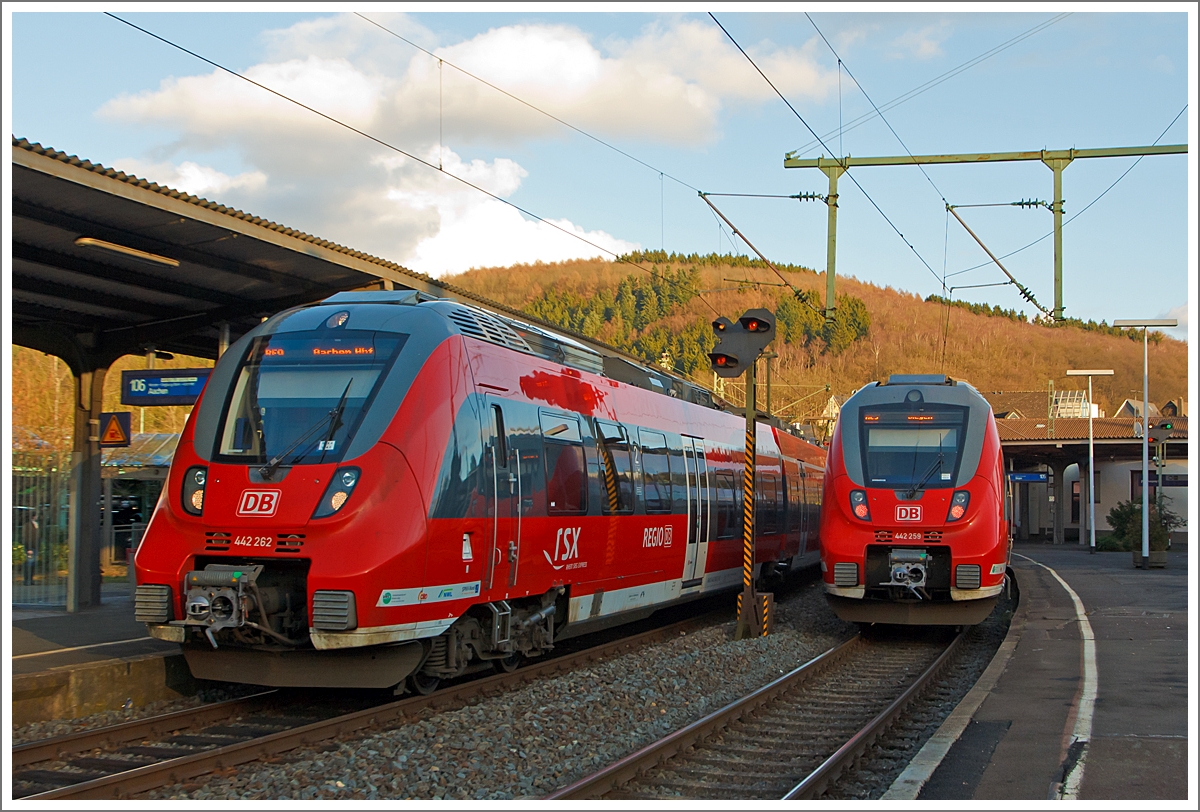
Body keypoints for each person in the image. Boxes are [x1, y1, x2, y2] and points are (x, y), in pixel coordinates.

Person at [21, 510, 39, 586]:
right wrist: (28, 548)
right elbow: (26, 537)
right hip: (30, 547)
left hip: (34, 547)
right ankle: (27, 580)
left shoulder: (36, 524)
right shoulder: (28, 526)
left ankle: (31, 579)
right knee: (29, 563)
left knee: (32, 564)